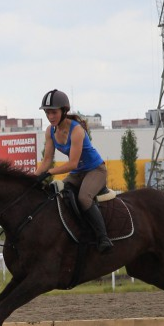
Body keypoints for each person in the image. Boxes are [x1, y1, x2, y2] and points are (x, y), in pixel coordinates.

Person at [34, 88, 113, 252]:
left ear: (64, 111)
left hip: (95, 170)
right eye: (47, 113)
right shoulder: (50, 131)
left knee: (84, 198)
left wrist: (49, 173)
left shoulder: (76, 130)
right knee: (57, 194)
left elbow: (73, 164)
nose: (50, 117)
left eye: (54, 112)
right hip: (78, 174)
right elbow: (47, 160)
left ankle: (103, 238)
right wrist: (33, 178)